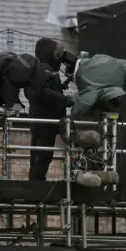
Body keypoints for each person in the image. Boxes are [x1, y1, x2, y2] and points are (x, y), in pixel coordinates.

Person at [25, 37, 73, 181]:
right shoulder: (44, 69)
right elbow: (42, 92)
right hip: (44, 122)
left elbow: (43, 90)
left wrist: (62, 87)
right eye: (56, 53)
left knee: (41, 157)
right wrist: (65, 100)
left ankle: (36, 185)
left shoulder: (40, 69)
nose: (58, 57)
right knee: (42, 157)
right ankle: (35, 188)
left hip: (43, 122)